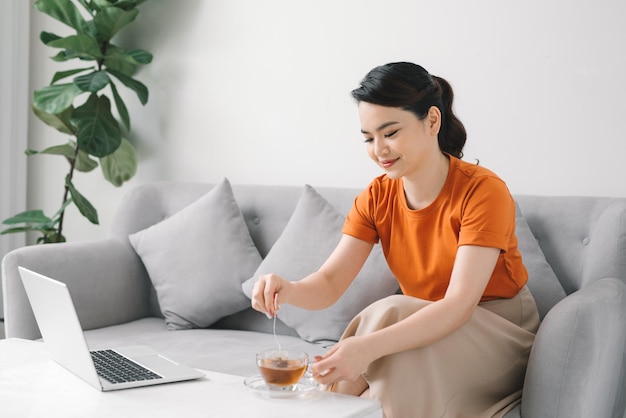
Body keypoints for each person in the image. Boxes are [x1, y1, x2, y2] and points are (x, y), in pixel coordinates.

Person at [251, 62, 540, 418]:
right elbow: (329, 283)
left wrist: (364, 349)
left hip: (498, 333)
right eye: (368, 138)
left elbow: (458, 305)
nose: (379, 150)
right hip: (428, 326)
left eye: (390, 133)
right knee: (385, 363)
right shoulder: (376, 197)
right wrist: (288, 288)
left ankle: (333, 401)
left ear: (432, 121)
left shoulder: (482, 191)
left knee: (390, 311)